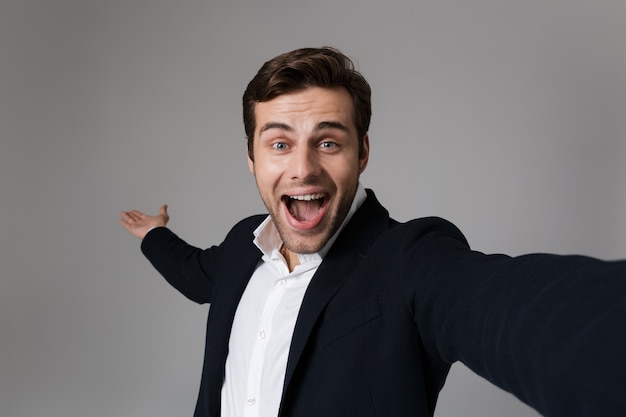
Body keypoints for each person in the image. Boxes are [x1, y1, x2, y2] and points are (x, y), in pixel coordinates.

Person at [119, 47, 626, 417]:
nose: (302, 169)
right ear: (251, 159)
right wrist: (154, 234)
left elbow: (511, 307)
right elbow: (193, 273)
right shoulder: (241, 244)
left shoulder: (412, 259)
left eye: (328, 142)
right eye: (278, 144)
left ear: (362, 152)